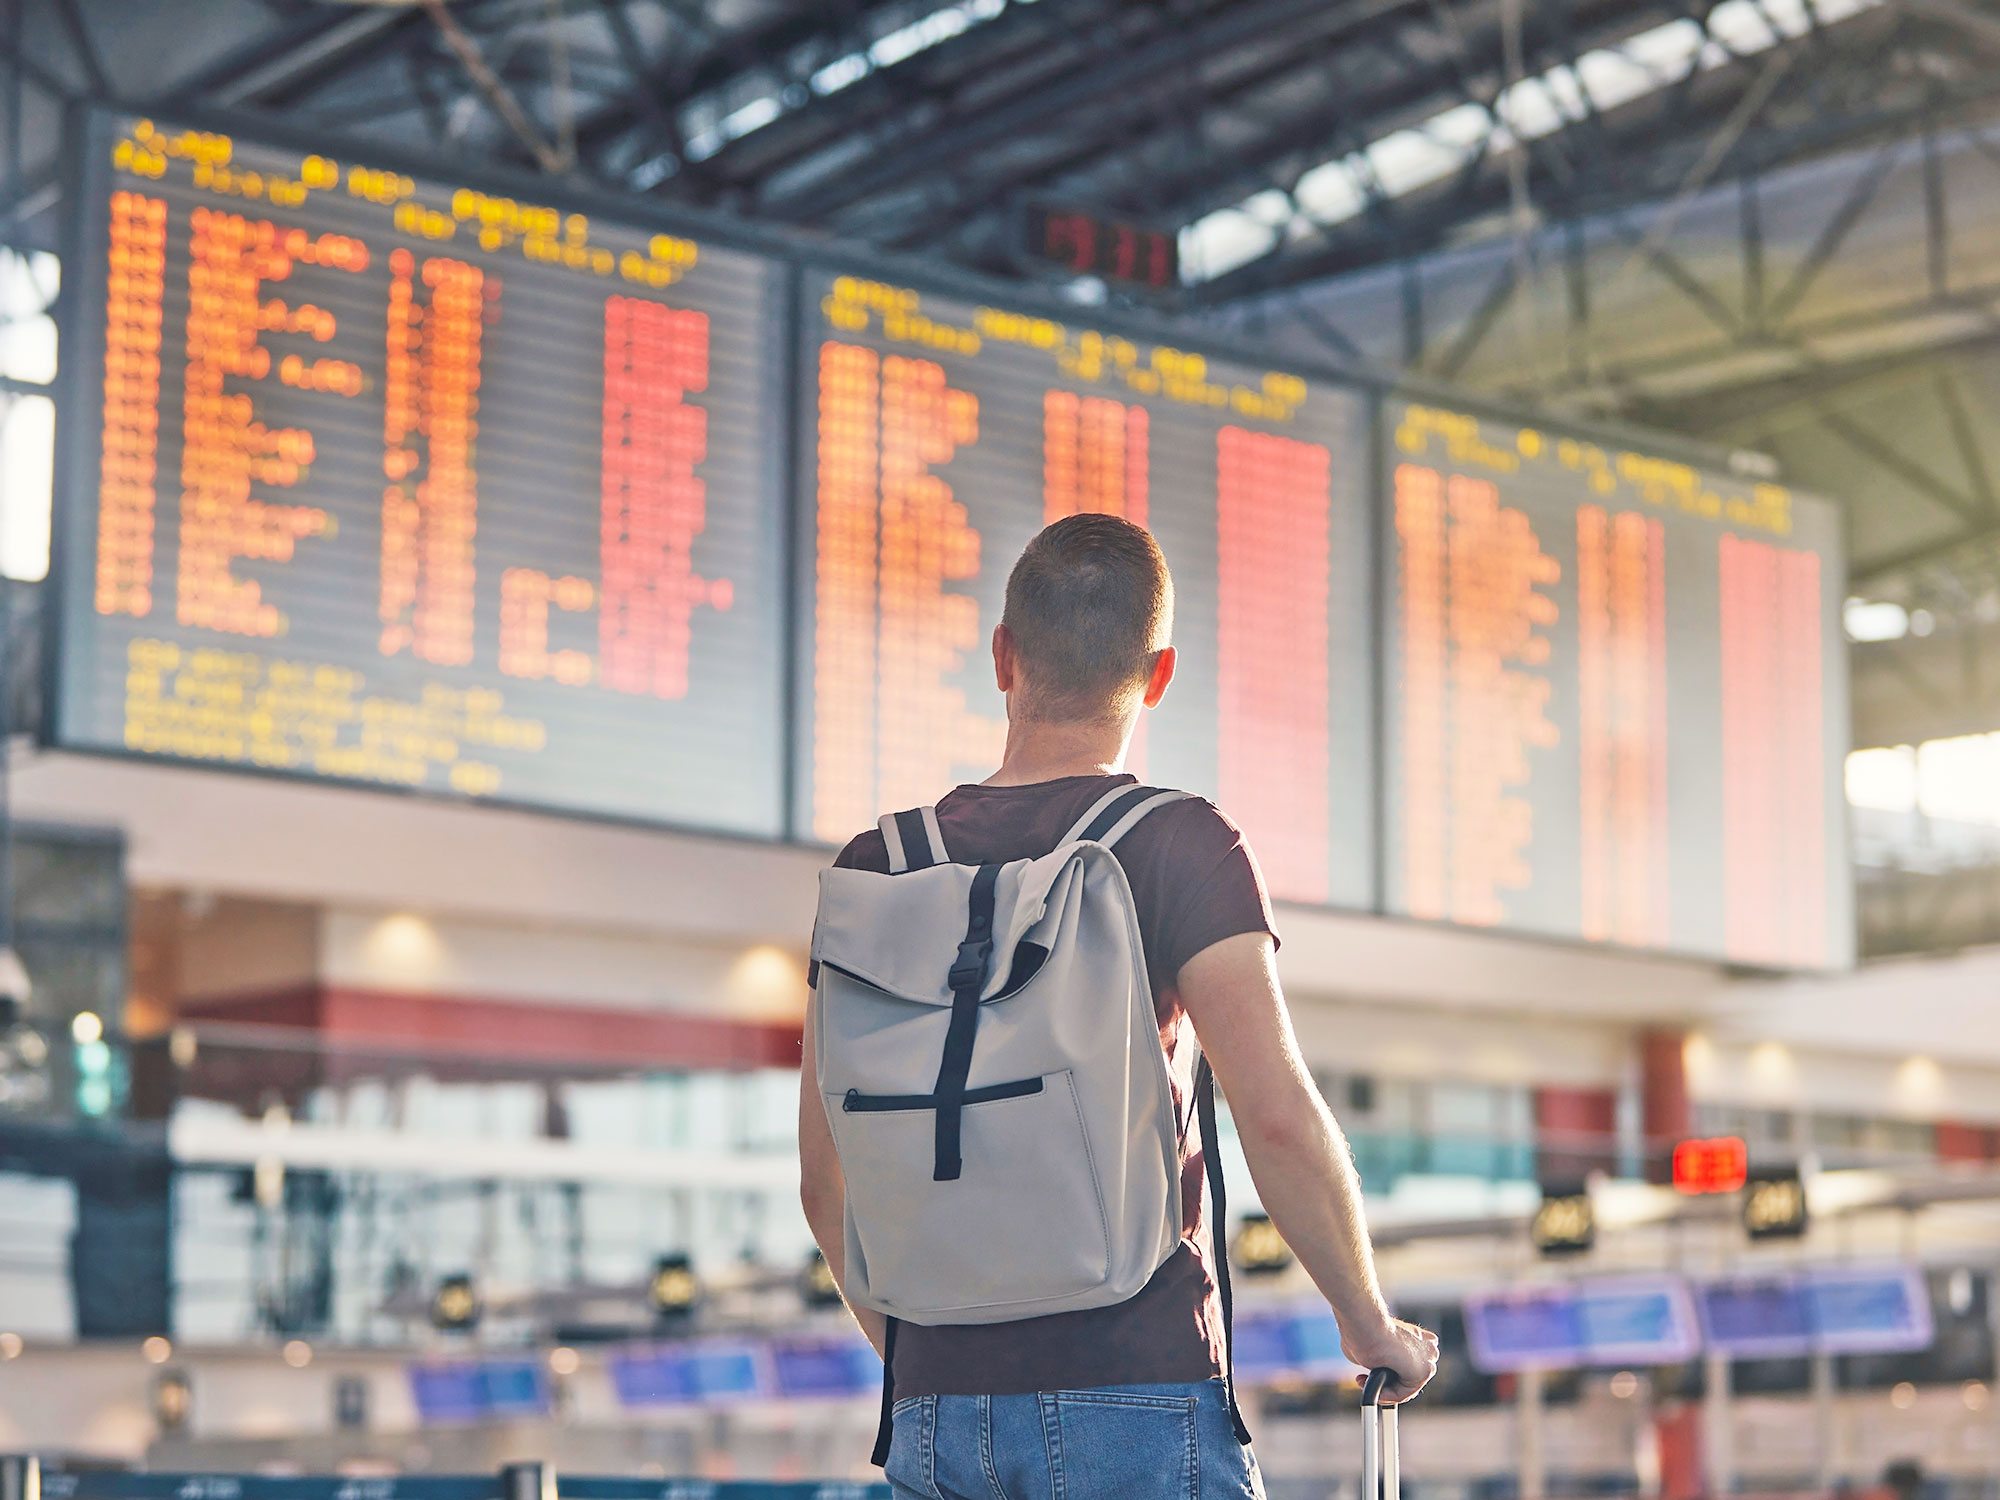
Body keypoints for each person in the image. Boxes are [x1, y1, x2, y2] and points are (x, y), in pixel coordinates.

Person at [799, 513, 1438, 1499]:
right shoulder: (1178, 843)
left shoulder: (872, 868)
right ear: (1159, 673)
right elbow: (1273, 1114)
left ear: (1002, 655)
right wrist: (1368, 1322)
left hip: (931, 1408)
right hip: (1134, 1383)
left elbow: (824, 1182)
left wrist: (928, 1361)